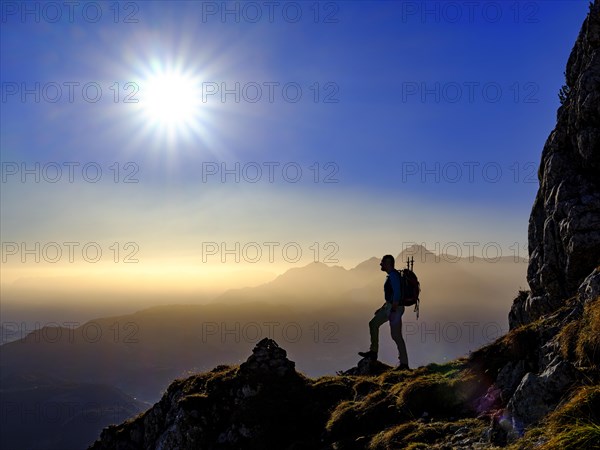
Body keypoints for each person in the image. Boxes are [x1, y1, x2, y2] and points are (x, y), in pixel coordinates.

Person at [358, 254, 410, 369]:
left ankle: (404, 363)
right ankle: (373, 352)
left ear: (388, 264)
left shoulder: (393, 276)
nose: (380, 264)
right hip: (389, 307)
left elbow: (397, 294)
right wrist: (383, 308)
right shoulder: (391, 275)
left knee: (396, 336)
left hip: (394, 309)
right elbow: (391, 295)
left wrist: (393, 310)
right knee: (373, 324)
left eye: (382, 262)